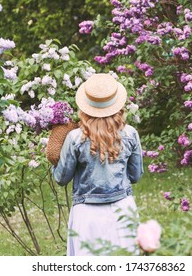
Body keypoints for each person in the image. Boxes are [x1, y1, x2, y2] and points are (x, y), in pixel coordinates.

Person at [51, 73, 144, 256]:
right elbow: (136, 176)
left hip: (87, 215)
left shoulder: (75, 137)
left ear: (86, 106)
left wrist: (54, 158)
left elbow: (61, 178)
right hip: (122, 210)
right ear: (118, 104)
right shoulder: (130, 134)